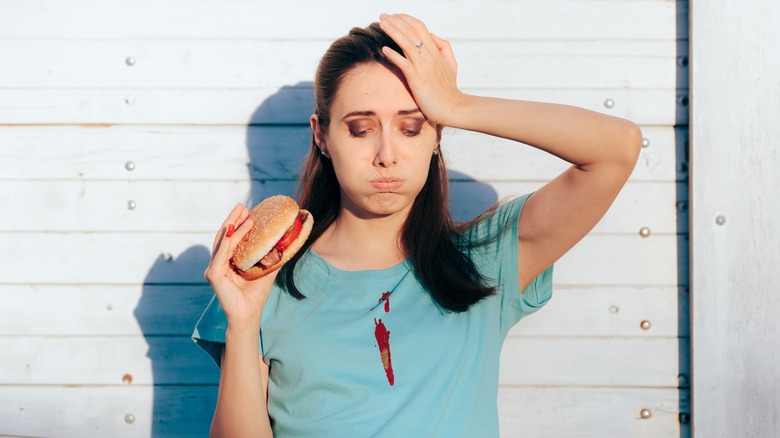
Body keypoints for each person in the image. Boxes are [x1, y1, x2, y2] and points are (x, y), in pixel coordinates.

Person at [192, 13, 641, 437]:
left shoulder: (486, 259)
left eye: (411, 128)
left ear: (436, 137)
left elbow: (617, 148)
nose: (387, 154)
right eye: (361, 128)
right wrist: (244, 321)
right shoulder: (264, 279)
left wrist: (456, 104)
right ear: (321, 136)